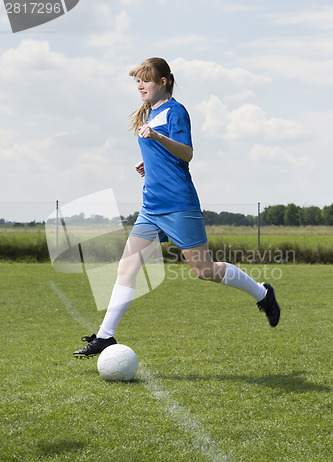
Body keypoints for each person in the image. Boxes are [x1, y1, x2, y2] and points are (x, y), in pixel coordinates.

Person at [73, 57, 280, 358]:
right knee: (127, 267)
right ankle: (105, 336)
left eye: (146, 80)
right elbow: (168, 156)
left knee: (203, 270)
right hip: (151, 207)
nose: (140, 85)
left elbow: (187, 153)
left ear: (163, 82)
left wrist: (156, 137)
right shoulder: (148, 112)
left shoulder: (176, 111)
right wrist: (151, 162)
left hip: (179, 206)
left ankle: (263, 293)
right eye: (137, 81)